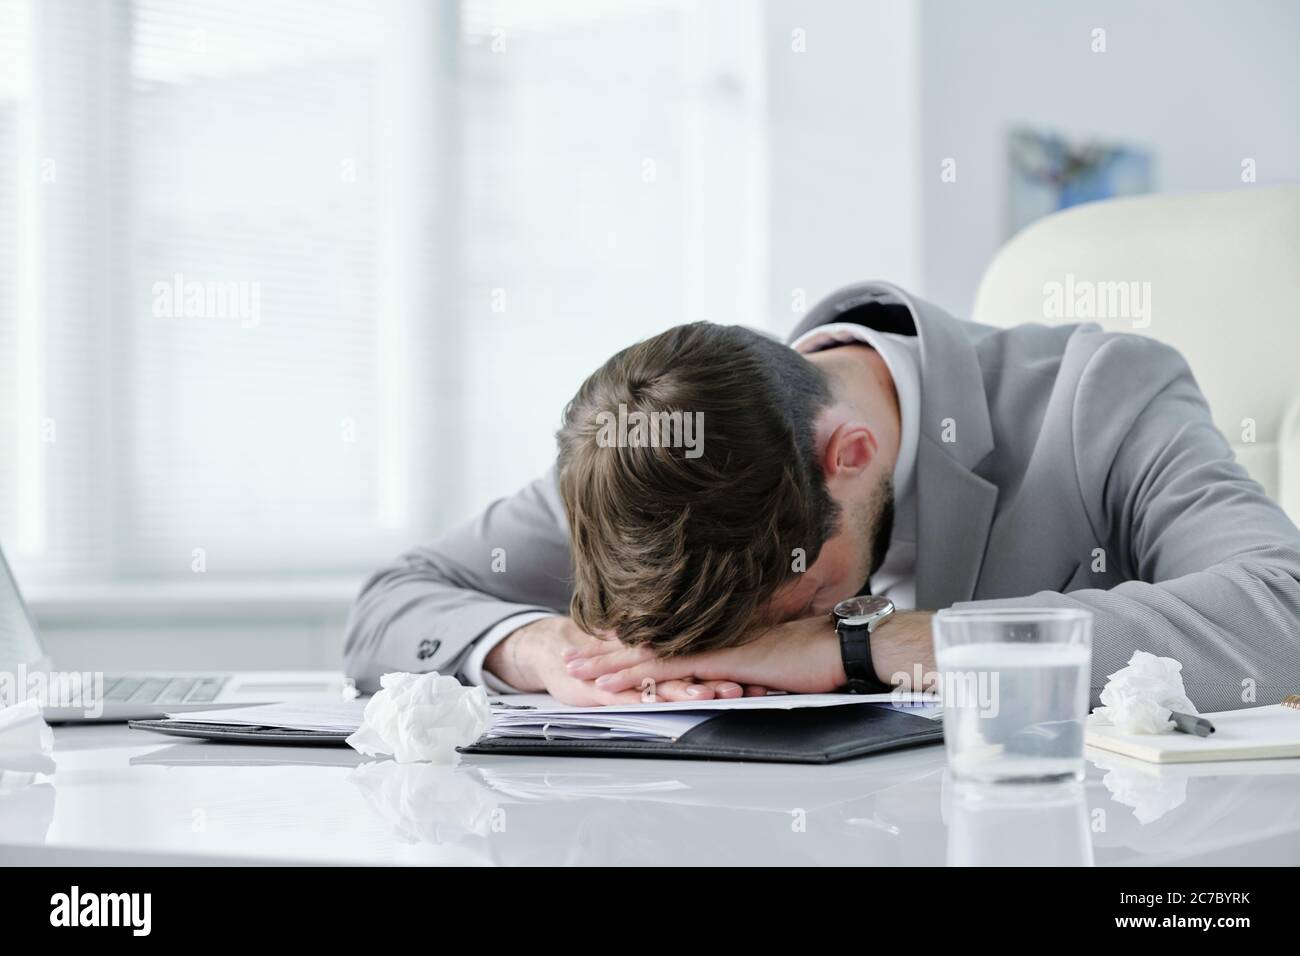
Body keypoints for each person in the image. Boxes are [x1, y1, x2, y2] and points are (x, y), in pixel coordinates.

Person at [343, 282, 1300, 709]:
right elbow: (394, 597)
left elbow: (1280, 611)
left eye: (784, 608)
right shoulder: (666, 451)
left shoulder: (1101, 396)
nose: (752, 652)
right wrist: (543, 645)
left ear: (849, 455)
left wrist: (862, 647)